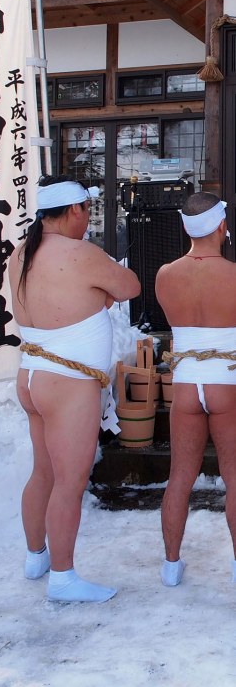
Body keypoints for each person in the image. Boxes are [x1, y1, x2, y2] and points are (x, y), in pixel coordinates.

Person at [8, 175, 141, 603]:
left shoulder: (20, 252)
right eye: (87, 211)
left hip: (31, 374)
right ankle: (62, 578)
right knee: (69, 480)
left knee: (44, 471)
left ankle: (36, 557)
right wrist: (100, 294)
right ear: (74, 211)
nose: (88, 219)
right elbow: (130, 287)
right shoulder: (81, 253)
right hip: (68, 380)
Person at [155, 191, 236, 586]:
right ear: (221, 226)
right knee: (234, 476)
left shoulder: (166, 274)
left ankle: (171, 566)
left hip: (187, 381)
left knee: (179, 477)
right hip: (226, 379)